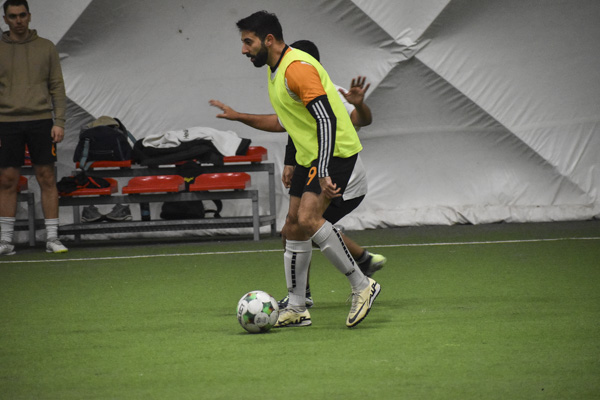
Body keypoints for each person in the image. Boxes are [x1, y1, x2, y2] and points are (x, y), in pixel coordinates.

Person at [228, 11, 381, 328]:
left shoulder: (297, 68)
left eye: (248, 42)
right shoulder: (275, 71)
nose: (243, 49)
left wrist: (322, 168)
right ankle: (297, 306)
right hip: (309, 156)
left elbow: (326, 119)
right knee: (293, 228)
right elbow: (292, 122)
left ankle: (362, 284)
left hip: (334, 152)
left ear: (269, 40)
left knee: (309, 220)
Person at [0, 0, 68, 255]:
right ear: (5, 19)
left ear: (29, 16)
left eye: (22, 15)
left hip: (41, 121)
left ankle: (52, 238)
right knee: (7, 180)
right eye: (12, 16)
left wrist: (59, 122)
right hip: (6, 122)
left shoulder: (46, 47)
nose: (18, 20)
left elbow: (57, 86)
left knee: (47, 177)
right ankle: (5, 242)